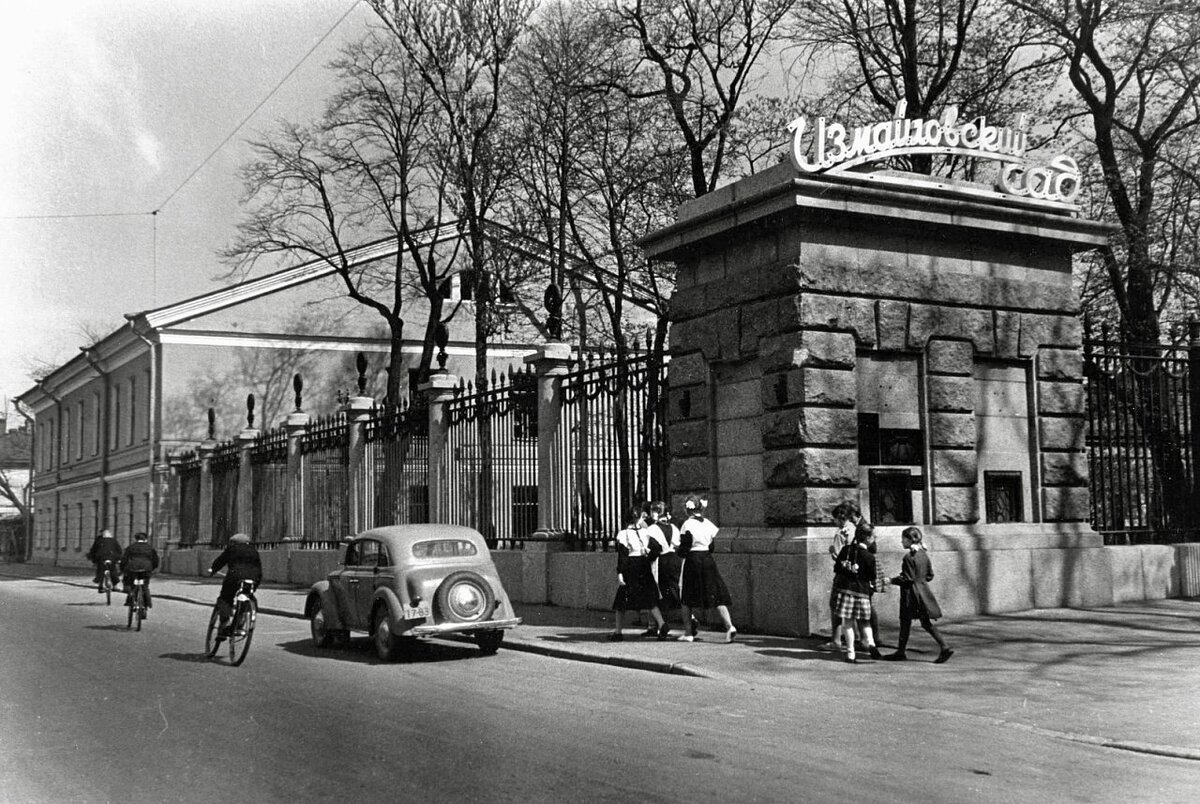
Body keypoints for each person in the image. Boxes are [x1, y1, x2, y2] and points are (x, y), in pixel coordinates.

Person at [885, 527, 953, 664]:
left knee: (905, 621)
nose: (901, 541)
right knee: (926, 622)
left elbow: (907, 578)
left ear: (910, 540)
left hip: (911, 594)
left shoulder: (909, 557)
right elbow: (930, 575)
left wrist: (891, 580)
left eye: (904, 538)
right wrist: (920, 580)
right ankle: (944, 646)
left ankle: (900, 652)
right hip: (923, 592)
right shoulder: (923, 554)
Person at [676, 495, 737, 643]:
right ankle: (729, 626)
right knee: (716, 594)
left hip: (693, 560)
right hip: (707, 560)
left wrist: (678, 550)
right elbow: (712, 545)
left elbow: (685, 547)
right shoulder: (708, 523)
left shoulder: (687, 525)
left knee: (686, 597)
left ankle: (688, 632)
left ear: (687, 509)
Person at [608, 507, 669, 642]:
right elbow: (657, 548)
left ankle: (618, 631)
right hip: (644, 564)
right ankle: (662, 623)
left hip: (631, 565)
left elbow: (622, 556)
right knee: (649, 597)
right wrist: (649, 556)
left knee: (621, 600)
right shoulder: (645, 532)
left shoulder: (623, 534)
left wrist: (620, 573)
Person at [832, 525, 882, 663]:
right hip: (863, 592)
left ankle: (850, 654)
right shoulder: (869, 557)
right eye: (873, 536)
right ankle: (871, 643)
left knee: (847, 623)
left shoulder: (846, 550)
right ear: (867, 538)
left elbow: (836, 568)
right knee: (865, 622)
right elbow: (872, 576)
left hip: (846, 591)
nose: (875, 538)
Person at [820, 501, 864, 651]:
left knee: (835, 606)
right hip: (856, 572)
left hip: (843, 574)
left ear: (840, 518)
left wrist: (832, 550)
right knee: (856, 605)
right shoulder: (855, 529)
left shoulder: (841, 533)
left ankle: (836, 640)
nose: (834, 522)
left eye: (835, 519)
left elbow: (839, 557)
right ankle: (861, 638)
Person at [208, 532, 263, 641]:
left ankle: (224, 624)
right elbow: (259, 568)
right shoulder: (254, 551)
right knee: (247, 595)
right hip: (253, 577)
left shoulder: (232, 549)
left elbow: (220, 561)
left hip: (235, 576)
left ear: (233, 542)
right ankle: (240, 621)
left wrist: (213, 570)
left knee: (225, 598)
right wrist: (255, 585)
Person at [646, 500, 683, 621]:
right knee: (676, 588)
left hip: (662, 561)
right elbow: (678, 544)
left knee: (661, 592)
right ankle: (690, 616)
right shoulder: (673, 527)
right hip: (675, 559)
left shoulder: (652, 529)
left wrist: (647, 557)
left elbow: (654, 549)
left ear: (656, 512)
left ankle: (660, 624)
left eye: (652, 510)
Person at [119, 532, 159, 614]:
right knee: (145, 585)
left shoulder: (131, 547)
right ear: (145, 539)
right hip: (146, 569)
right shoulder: (150, 548)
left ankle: (130, 596)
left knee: (130, 582)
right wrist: (152, 569)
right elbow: (155, 560)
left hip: (133, 568)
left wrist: (122, 569)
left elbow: (124, 560)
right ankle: (147, 603)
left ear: (136, 539)